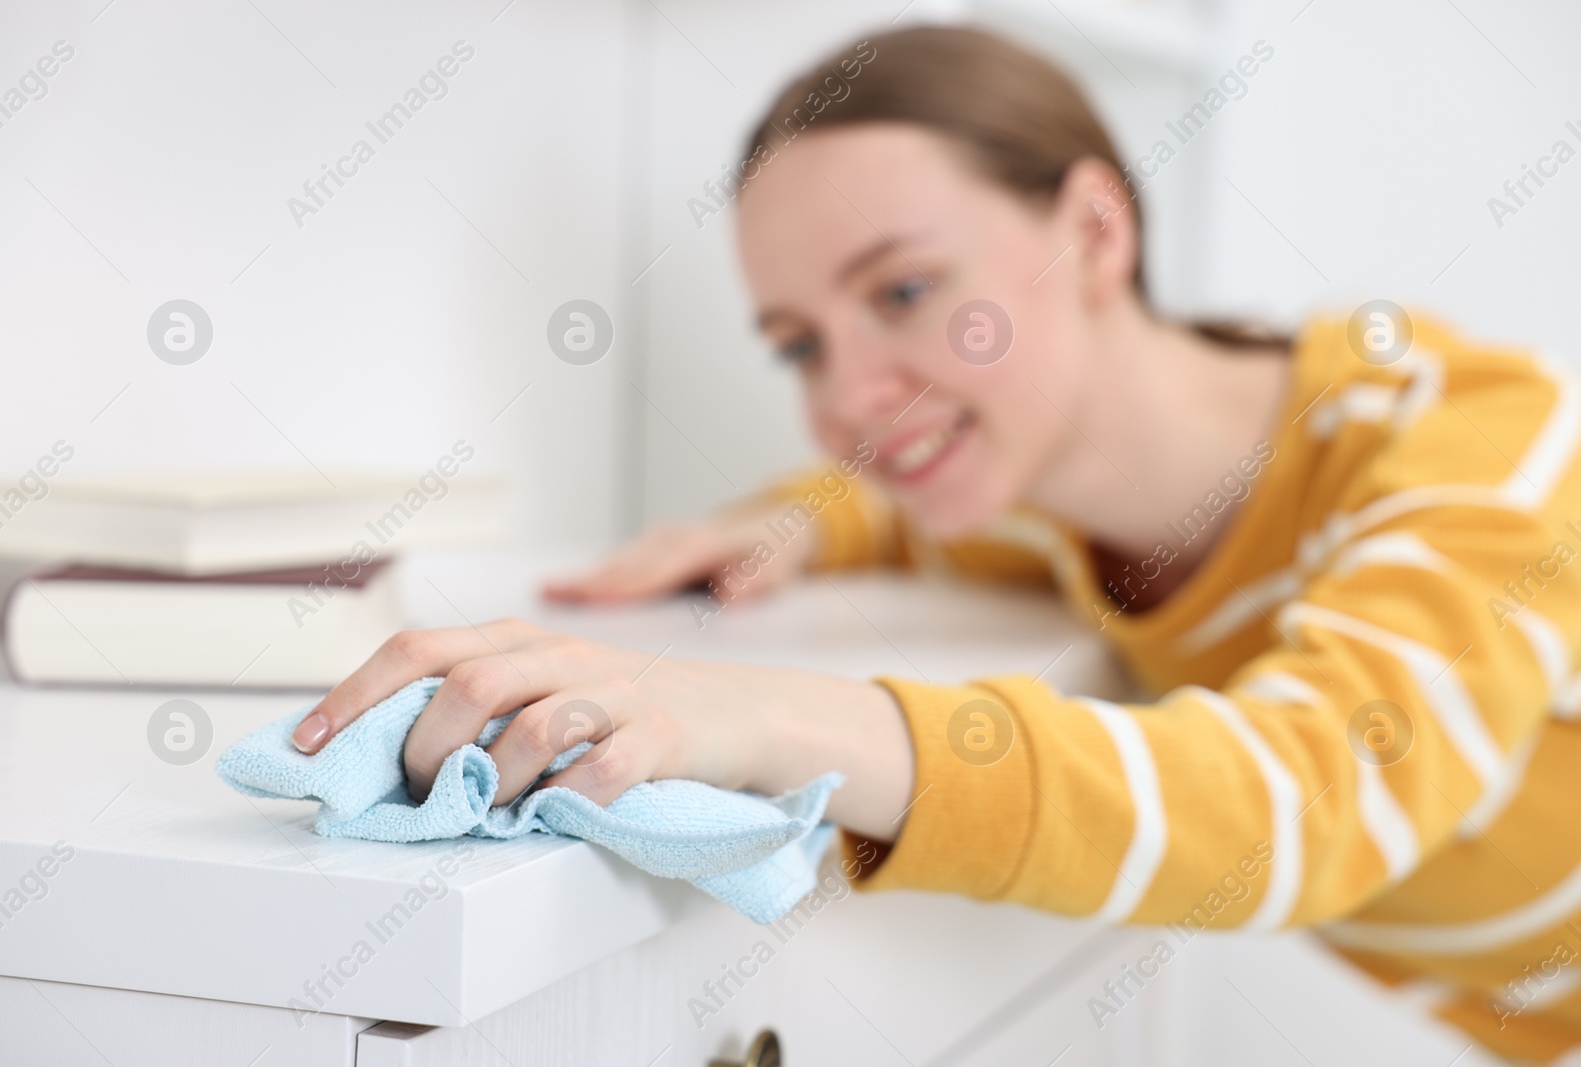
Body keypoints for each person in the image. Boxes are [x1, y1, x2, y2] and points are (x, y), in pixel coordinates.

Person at [290, 27, 1581, 1062]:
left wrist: (771, 716)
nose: (849, 399)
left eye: (905, 292)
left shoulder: (1478, 446)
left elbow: (1303, 798)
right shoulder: (1045, 516)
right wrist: (791, 518)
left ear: (1092, 232)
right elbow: (890, 502)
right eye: (800, 345)